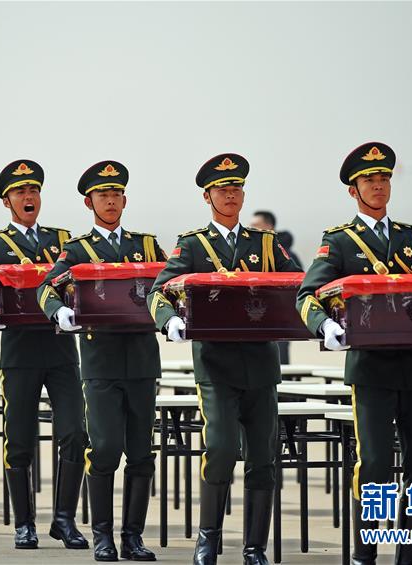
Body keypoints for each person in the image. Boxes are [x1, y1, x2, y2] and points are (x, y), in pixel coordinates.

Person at [295, 142, 412, 565]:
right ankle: (366, 552)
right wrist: (326, 325)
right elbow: (307, 295)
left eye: (384, 178)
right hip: (371, 369)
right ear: (353, 191)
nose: (379, 185)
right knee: (377, 466)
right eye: (369, 180)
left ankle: (409, 553)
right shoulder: (340, 242)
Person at [147, 154, 301, 565]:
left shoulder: (266, 244)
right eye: (222, 189)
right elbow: (159, 291)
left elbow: (297, 285)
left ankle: (254, 547)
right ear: (207, 195)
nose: (230, 194)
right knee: (219, 448)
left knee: (264, 458)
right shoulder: (194, 244)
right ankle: (208, 538)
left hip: (261, 365)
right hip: (216, 366)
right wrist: (170, 321)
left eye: (236, 188)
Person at [37, 160, 165, 562]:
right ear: (89, 202)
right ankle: (103, 536)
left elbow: (167, 285)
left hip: (143, 359)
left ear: (124, 200)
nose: (110, 201)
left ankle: (133, 537)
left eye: (116, 195)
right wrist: (59, 312)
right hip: (101, 362)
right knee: (106, 448)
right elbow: (47, 288)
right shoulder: (76, 250)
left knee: (142, 452)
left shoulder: (146, 245)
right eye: (102, 196)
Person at [0, 159, 88, 550]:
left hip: (62, 349)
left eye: (33, 191)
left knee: (75, 433)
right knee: (19, 439)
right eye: (20, 192)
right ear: (6, 200)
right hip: (19, 352)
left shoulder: (62, 240)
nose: (28, 197)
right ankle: (24, 522)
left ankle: (64, 520)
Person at [248, 210, 301, 364]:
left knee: (280, 364)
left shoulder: (287, 256)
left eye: (256, 226)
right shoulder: (252, 254)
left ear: (269, 227)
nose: (252, 230)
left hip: (281, 319)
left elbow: (298, 285)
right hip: (255, 317)